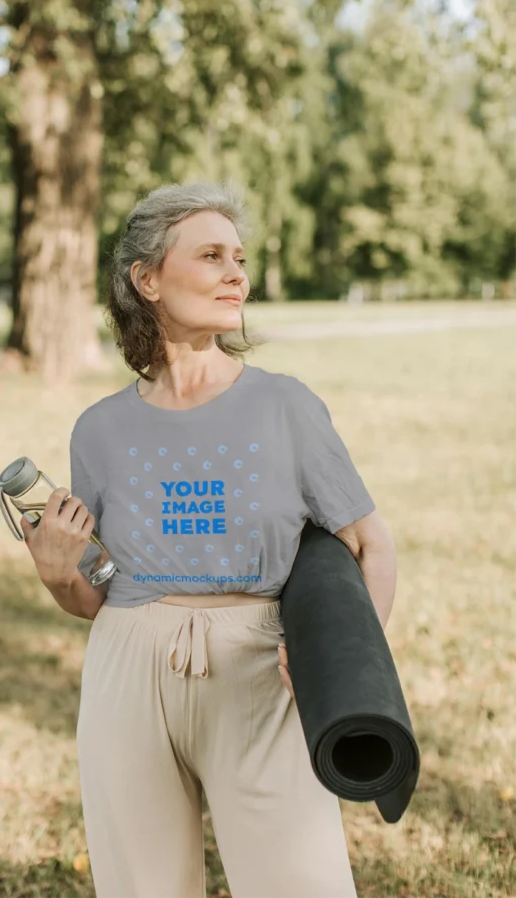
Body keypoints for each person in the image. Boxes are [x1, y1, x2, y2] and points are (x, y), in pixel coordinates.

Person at [21, 181, 382, 897]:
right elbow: (92, 596)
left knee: (299, 883)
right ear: (147, 279)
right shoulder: (99, 429)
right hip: (127, 662)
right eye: (211, 255)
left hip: (259, 662)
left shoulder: (285, 405)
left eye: (238, 258)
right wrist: (59, 573)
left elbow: (369, 542)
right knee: (140, 884)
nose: (235, 274)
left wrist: (344, 669)